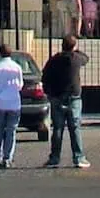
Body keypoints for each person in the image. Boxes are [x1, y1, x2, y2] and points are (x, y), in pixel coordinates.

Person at [41, 32, 91, 169]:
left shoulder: (54, 59)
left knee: (57, 128)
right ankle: (78, 157)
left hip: (57, 96)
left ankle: (54, 158)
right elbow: (86, 58)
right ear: (74, 47)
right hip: (73, 97)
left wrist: (49, 92)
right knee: (75, 128)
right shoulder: (76, 59)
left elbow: (45, 76)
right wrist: (75, 49)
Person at [0, 43, 25, 170]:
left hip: (1, 103)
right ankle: (7, 158)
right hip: (14, 103)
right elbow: (20, 85)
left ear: (0, 53)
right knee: (11, 131)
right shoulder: (17, 67)